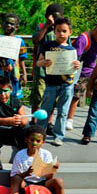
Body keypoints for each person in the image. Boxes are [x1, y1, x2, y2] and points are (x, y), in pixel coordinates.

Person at [9, 125, 70, 194]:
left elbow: (49, 178)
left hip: (42, 183)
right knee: (15, 178)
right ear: (26, 140)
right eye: (32, 140)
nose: (34, 143)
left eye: (38, 141)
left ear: (42, 142)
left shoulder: (46, 154)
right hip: (26, 183)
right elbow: (15, 175)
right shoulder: (20, 155)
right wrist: (26, 173)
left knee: (59, 181)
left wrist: (52, 169)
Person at [35, 17, 80, 146]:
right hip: (51, 84)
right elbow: (38, 63)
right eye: (58, 30)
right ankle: (40, 133)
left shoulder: (72, 50)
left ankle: (59, 135)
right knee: (45, 109)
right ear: (54, 31)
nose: (61, 34)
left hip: (67, 85)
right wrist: (43, 62)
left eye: (64, 31)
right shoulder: (48, 46)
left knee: (63, 111)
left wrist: (76, 65)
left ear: (70, 32)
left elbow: (75, 68)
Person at [66, 19, 97, 131]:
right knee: (76, 96)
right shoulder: (83, 39)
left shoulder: (96, 41)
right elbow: (75, 57)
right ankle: (69, 119)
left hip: (92, 72)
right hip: (81, 73)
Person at [31, 3, 64, 123]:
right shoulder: (41, 27)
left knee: (53, 98)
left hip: (56, 70)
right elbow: (36, 40)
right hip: (41, 69)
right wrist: (46, 26)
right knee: (38, 96)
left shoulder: (61, 30)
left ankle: (49, 122)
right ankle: (34, 121)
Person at [0, 76, 28, 170]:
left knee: (27, 129)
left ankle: (25, 156)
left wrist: (20, 120)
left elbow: (25, 120)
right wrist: (8, 121)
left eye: (5, 91)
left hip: (13, 131)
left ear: (10, 90)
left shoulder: (16, 102)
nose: (2, 94)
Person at [0, 14, 28, 99]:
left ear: (16, 27)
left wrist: (24, 74)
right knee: (1, 95)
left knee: (14, 96)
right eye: (6, 23)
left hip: (14, 74)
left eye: (12, 24)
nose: (8, 25)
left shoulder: (19, 41)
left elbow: (22, 59)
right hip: (1, 74)